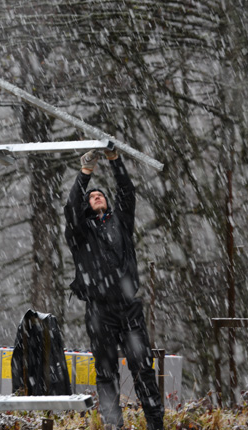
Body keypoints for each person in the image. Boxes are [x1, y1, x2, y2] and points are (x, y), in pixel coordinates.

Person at [64, 148, 164, 430]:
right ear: (87, 206)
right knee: (106, 373)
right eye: (92, 196)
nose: (97, 196)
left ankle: (156, 424)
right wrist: (86, 172)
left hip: (129, 306)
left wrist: (114, 159)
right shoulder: (80, 233)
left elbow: (126, 191)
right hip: (99, 311)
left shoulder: (121, 222)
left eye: (101, 195)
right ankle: (112, 426)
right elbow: (71, 208)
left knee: (143, 369)